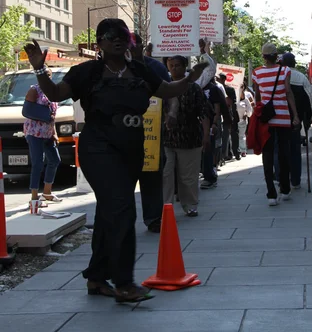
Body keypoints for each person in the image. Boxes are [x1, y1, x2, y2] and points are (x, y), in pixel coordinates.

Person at [23, 18, 208, 303]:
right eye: (110, 36)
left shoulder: (140, 70)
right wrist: (39, 68)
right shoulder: (87, 72)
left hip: (131, 147)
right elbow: (56, 93)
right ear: (99, 43)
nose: (118, 40)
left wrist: (190, 78)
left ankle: (97, 278)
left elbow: (168, 90)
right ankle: (124, 283)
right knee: (123, 209)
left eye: (123, 35)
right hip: (99, 147)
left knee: (110, 211)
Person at [130, 33, 170, 233]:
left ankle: (154, 218)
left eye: (132, 45)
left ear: (141, 46)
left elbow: (169, 94)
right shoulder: (112, 68)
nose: (129, 49)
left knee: (152, 174)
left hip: (152, 131)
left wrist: (167, 116)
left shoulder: (155, 68)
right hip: (122, 131)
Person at [252, 43, 300, 206]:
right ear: (276, 56)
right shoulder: (285, 71)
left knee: (268, 154)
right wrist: (295, 115)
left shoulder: (257, 72)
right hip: (283, 117)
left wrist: (260, 112)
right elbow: (288, 93)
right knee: (284, 153)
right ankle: (285, 189)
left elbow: (257, 96)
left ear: (263, 57)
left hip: (266, 119)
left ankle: (271, 193)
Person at [163, 56, 210, 217]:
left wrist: (206, 134)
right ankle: (166, 205)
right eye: (171, 65)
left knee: (188, 175)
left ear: (185, 67)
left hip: (190, 137)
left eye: (177, 65)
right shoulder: (164, 87)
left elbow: (204, 112)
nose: (174, 68)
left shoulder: (194, 88)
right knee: (166, 173)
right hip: (166, 138)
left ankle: (190, 204)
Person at [23, 69, 62, 204]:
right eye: (44, 75)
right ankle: (34, 197)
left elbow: (53, 115)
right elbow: (27, 110)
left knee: (55, 160)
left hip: (48, 132)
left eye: (49, 75)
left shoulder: (54, 92)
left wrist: (54, 133)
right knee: (38, 163)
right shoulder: (34, 90)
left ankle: (47, 192)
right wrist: (44, 116)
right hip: (34, 132)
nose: (47, 78)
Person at [280, 52, 312, 189]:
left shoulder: (279, 75)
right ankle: (295, 180)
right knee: (295, 150)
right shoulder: (301, 77)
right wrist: (309, 118)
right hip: (296, 120)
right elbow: (310, 98)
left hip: (279, 119)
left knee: (280, 149)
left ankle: (280, 177)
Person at [218, 73, 240, 161]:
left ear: (223, 79)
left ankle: (236, 152)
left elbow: (232, 102)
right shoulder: (216, 88)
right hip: (220, 114)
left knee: (233, 133)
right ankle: (227, 154)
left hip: (229, 113)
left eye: (218, 79)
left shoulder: (229, 89)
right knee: (224, 135)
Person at [237, 84, 253, 157]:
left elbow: (250, 108)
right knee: (233, 136)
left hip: (242, 121)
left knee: (241, 135)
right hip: (234, 120)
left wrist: (246, 114)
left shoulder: (246, 98)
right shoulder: (235, 98)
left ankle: (243, 150)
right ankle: (236, 150)